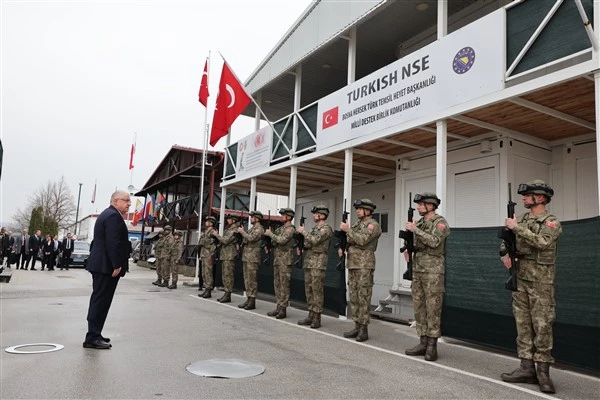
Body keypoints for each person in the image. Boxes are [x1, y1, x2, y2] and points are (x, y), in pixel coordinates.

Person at [499, 180, 562, 394]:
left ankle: (543, 373)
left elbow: (544, 242)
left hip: (541, 282)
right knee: (523, 324)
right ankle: (526, 368)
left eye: (529, 195)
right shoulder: (523, 219)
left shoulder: (551, 221)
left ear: (541, 198)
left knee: (542, 326)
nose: (524, 198)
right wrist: (505, 252)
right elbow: (508, 239)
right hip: (520, 278)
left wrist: (517, 228)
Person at [404, 193, 450, 361]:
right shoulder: (421, 223)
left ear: (430, 206)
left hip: (433, 271)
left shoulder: (440, 223)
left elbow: (434, 242)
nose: (418, 207)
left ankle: (432, 346)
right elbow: (418, 244)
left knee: (433, 309)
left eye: (421, 204)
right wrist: (408, 249)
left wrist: (415, 230)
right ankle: (422, 342)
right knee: (419, 307)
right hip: (418, 269)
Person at [83, 190, 131, 350]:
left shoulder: (109, 214)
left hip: (103, 265)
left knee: (101, 300)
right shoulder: (112, 216)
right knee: (101, 301)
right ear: (116, 201)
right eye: (126, 200)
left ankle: (95, 333)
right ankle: (92, 337)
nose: (129, 204)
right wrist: (117, 264)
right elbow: (113, 243)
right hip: (106, 267)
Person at [340, 199, 382, 342]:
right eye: (357, 209)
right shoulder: (357, 224)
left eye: (360, 208)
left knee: (363, 297)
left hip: (364, 264)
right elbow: (351, 240)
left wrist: (348, 230)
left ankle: (363, 329)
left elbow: (363, 240)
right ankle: (357, 325)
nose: (357, 211)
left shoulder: (373, 225)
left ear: (368, 210)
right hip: (352, 264)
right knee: (354, 296)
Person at [297, 205, 333, 329]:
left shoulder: (326, 229)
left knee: (317, 290)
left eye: (316, 213)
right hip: (309, 261)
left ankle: (317, 317)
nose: (313, 215)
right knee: (309, 289)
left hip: (318, 262)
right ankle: (310, 314)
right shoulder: (314, 228)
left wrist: (304, 232)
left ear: (322, 215)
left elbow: (315, 240)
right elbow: (308, 242)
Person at [264, 208, 297, 319]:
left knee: (284, 285)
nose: (281, 217)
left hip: (285, 260)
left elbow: (282, 240)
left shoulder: (290, 229)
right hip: (278, 259)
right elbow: (274, 241)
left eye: (283, 215)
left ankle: (283, 309)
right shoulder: (281, 228)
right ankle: (278, 306)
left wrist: (271, 234)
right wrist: (273, 237)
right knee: (277, 284)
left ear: (288, 217)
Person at [237, 211, 265, 310]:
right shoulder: (252, 229)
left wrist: (242, 232)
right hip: (247, 256)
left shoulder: (259, 229)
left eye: (252, 217)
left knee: (252, 280)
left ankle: (252, 301)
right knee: (247, 279)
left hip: (253, 257)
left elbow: (251, 238)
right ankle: (249, 298)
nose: (250, 218)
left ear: (257, 218)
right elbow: (245, 239)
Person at [211, 215, 240, 303]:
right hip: (225, 254)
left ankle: (228, 294)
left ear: (233, 220)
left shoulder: (234, 230)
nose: (227, 220)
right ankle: (226, 294)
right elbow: (222, 242)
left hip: (229, 255)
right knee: (224, 275)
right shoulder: (228, 229)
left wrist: (217, 236)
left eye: (229, 219)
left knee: (228, 276)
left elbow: (225, 240)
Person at [198, 216, 218, 298]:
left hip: (209, 255)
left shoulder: (213, 232)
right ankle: (206, 289)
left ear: (211, 223)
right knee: (204, 273)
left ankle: (209, 290)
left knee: (208, 273)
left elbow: (209, 242)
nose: (205, 222)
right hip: (203, 254)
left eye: (207, 221)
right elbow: (200, 242)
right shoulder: (206, 232)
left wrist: (203, 240)